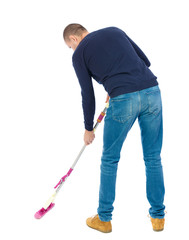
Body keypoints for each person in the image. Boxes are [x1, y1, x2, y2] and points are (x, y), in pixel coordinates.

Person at [63, 23, 166, 233]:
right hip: (151, 91)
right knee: (153, 157)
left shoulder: (79, 54)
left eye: (70, 46)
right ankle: (158, 217)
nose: (72, 51)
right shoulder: (115, 30)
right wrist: (117, 83)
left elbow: (87, 93)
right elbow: (145, 61)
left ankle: (104, 218)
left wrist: (88, 128)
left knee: (110, 160)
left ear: (73, 39)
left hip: (123, 100)